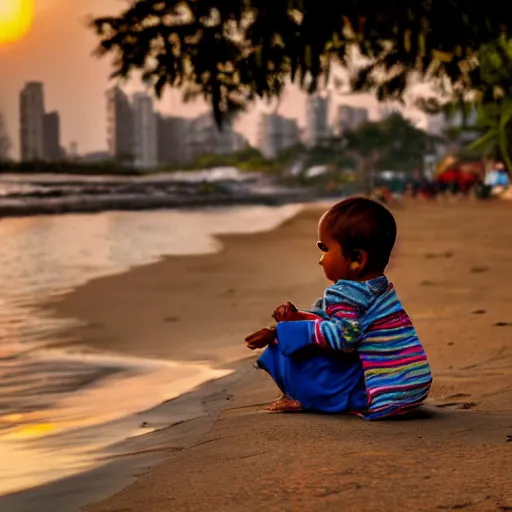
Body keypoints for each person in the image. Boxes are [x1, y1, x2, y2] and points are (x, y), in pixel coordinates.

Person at [245, 197, 432, 419]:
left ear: (357, 259)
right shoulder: (379, 287)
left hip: (376, 395)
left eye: (325, 249)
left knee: (281, 346)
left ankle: (303, 397)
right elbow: (339, 321)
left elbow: (345, 336)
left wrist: (278, 331)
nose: (321, 260)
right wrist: (297, 317)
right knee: (300, 335)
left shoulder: (342, 293)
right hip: (410, 388)